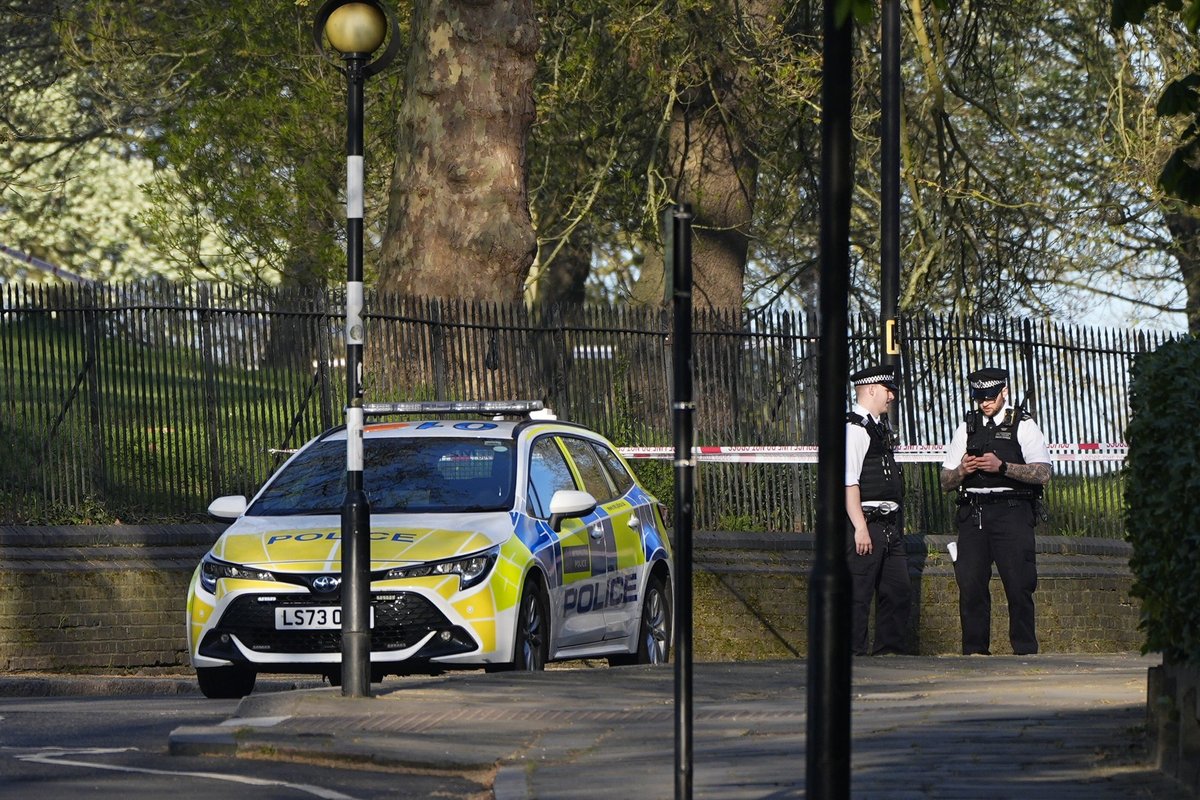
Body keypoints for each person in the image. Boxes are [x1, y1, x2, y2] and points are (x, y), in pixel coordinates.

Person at [940, 367, 1051, 656]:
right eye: (980, 398)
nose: (985, 403)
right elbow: (945, 481)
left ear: (1004, 392)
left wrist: (1002, 467)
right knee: (971, 586)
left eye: (990, 397)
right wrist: (962, 470)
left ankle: (1025, 651)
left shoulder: (1023, 425)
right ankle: (975, 652)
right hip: (973, 513)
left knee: (1019, 584)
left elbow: (1043, 473)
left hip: (1012, 512)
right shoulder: (966, 428)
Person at [845, 364, 911, 656]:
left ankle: (889, 653)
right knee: (858, 594)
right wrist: (860, 527)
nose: (892, 396)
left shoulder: (877, 427)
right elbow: (849, 482)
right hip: (867, 523)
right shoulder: (855, 429)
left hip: (888, 526)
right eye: (888, 390)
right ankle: (854, 655)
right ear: (872, 389)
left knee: (898, 590)